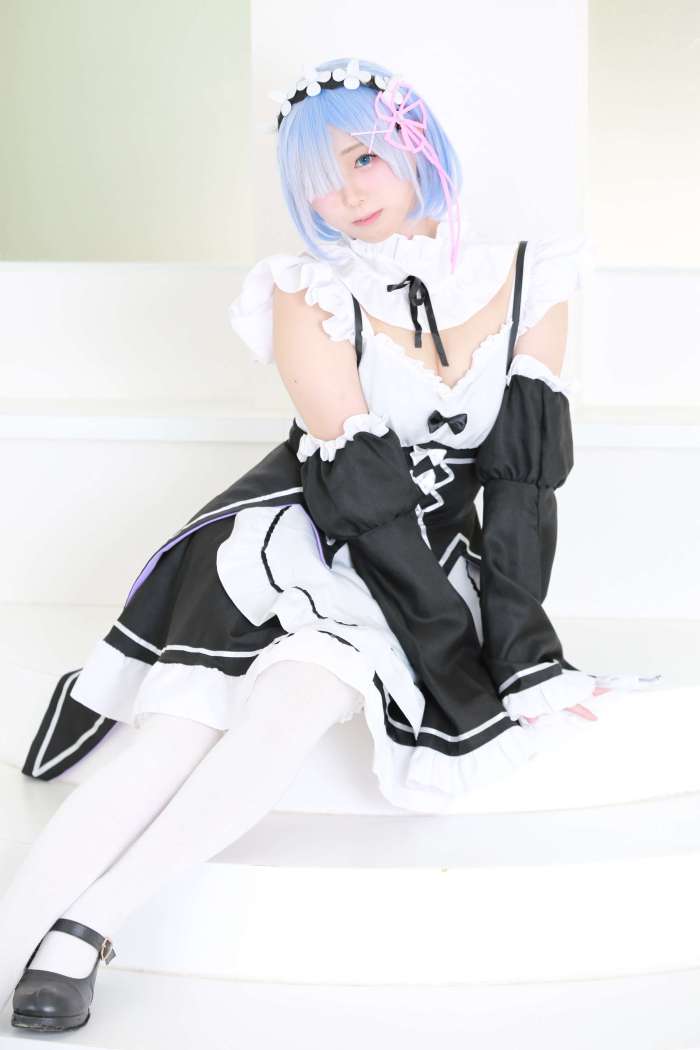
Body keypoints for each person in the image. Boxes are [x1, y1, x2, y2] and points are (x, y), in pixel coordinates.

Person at [1, 56, 658, 1032]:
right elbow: (363, 494)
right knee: (175, 732)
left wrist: (521, 658)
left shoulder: (532, 275)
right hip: (304, 537)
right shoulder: (304, 292)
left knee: (295, 699)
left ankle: (83, 932)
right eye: (317, 179)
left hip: (431, 556)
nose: (344, 195)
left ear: (417, 146)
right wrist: (450, 653)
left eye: (362, 159)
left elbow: (521, 486)